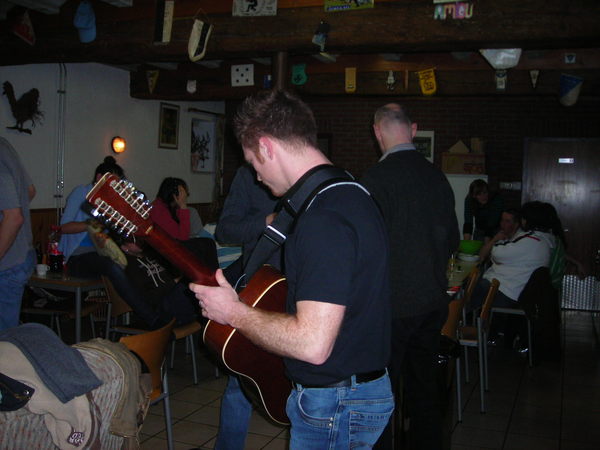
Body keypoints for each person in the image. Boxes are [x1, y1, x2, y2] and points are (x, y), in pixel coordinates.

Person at [190, 89, 393, 449]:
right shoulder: (351, 191)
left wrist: (234, 312)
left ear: (267, 147)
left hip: (336, 403)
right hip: (355, 391)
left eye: (254, 162)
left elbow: (312, 343)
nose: (256, 177)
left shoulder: (322, 217)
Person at [360, 103, 459, 450]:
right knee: (424, 391)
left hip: (391, 308)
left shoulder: (373, 181)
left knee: (379, 395)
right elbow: (453, 240)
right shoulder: (437, 177)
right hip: (432, 303)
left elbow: (363, 251)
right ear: (413, 130)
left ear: (377, 132)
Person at [210, 163, 280, 450]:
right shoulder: (248, 173)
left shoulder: (311, 171)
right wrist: (267, 221)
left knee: (309, 385)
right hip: (261, 290)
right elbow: (225, 230)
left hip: (305, 292)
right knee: (241, 381)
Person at [59, 157, 167, 329]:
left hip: (102, 254)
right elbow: (63, 228)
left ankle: (157, 311)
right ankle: (151, 318)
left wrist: (127, 244)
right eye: (112, 182)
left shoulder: (111, 201)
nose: (115, 186)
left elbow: (114, 236)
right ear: (98, 177)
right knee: (110, 265)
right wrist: (91, 225)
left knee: (138, 261)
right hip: (77, 257)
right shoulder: (81, 192)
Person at [469, 201, 555, 313]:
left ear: (519, 223)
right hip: (506, 288)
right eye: (502, 220)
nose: (502, 224)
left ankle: (461, 323)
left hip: (506, 292)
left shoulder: (531, 240)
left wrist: (496, 247)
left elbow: (496, 253)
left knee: (468, 289)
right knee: (472, 285)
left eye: (507, 221)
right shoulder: (542, 241)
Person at [0, 137, 36, 331]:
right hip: (21, 255)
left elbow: (14, 218)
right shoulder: (5, 145)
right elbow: (29, 191)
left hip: (7, 263)